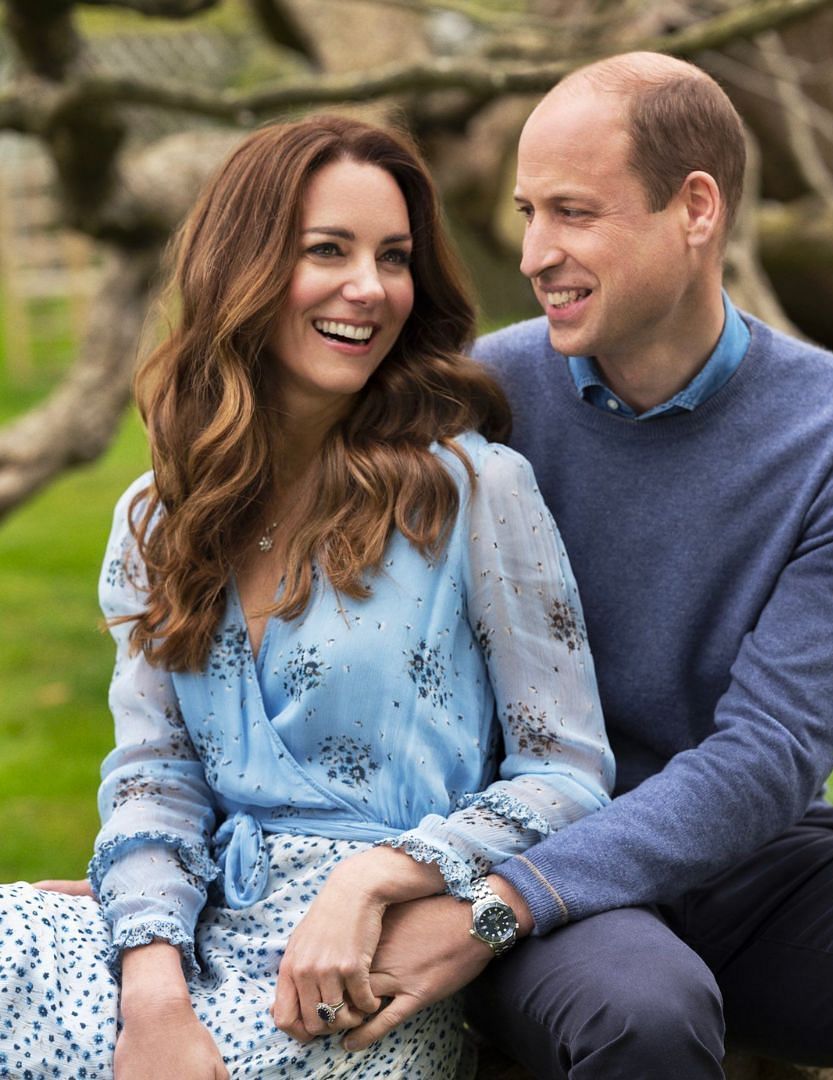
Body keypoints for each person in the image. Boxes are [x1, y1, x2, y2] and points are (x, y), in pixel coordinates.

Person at [323, 53, 833, 1078]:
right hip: (526, 842)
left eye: (574, 212)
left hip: (751, 860)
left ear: (695, 208)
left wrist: (495, 910)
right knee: (643, 1017)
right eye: (528, 211)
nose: (534, 252)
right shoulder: (481, 400)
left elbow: (771, 755)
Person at [1, 114, 614, 1079]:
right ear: (239, 269)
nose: (369, 289)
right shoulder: (158, 518)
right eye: (326, 250)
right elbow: (153, 782)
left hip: (362, 968)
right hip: (188, 933)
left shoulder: (472, 492)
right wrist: (151, 994)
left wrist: (382, 877)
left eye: (395, 257)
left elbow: (569, 771)